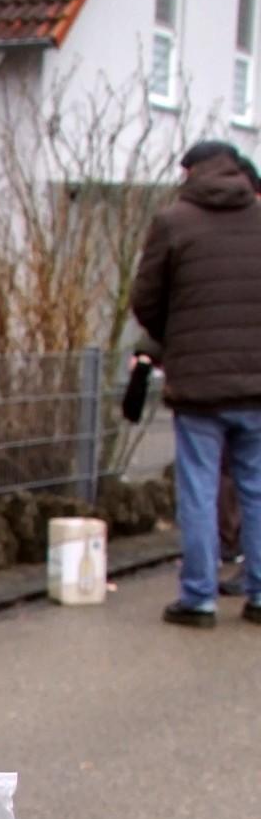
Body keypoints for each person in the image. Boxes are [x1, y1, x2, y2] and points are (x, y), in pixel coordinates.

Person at [127, 135, 261, 627]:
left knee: (200, 489)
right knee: (256, 487)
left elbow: (147, 299)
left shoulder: (173, 222)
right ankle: (259, 595)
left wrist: (174, 337)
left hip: (198, 385)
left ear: (192, 172)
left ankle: (200, 598)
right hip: (258, 386)